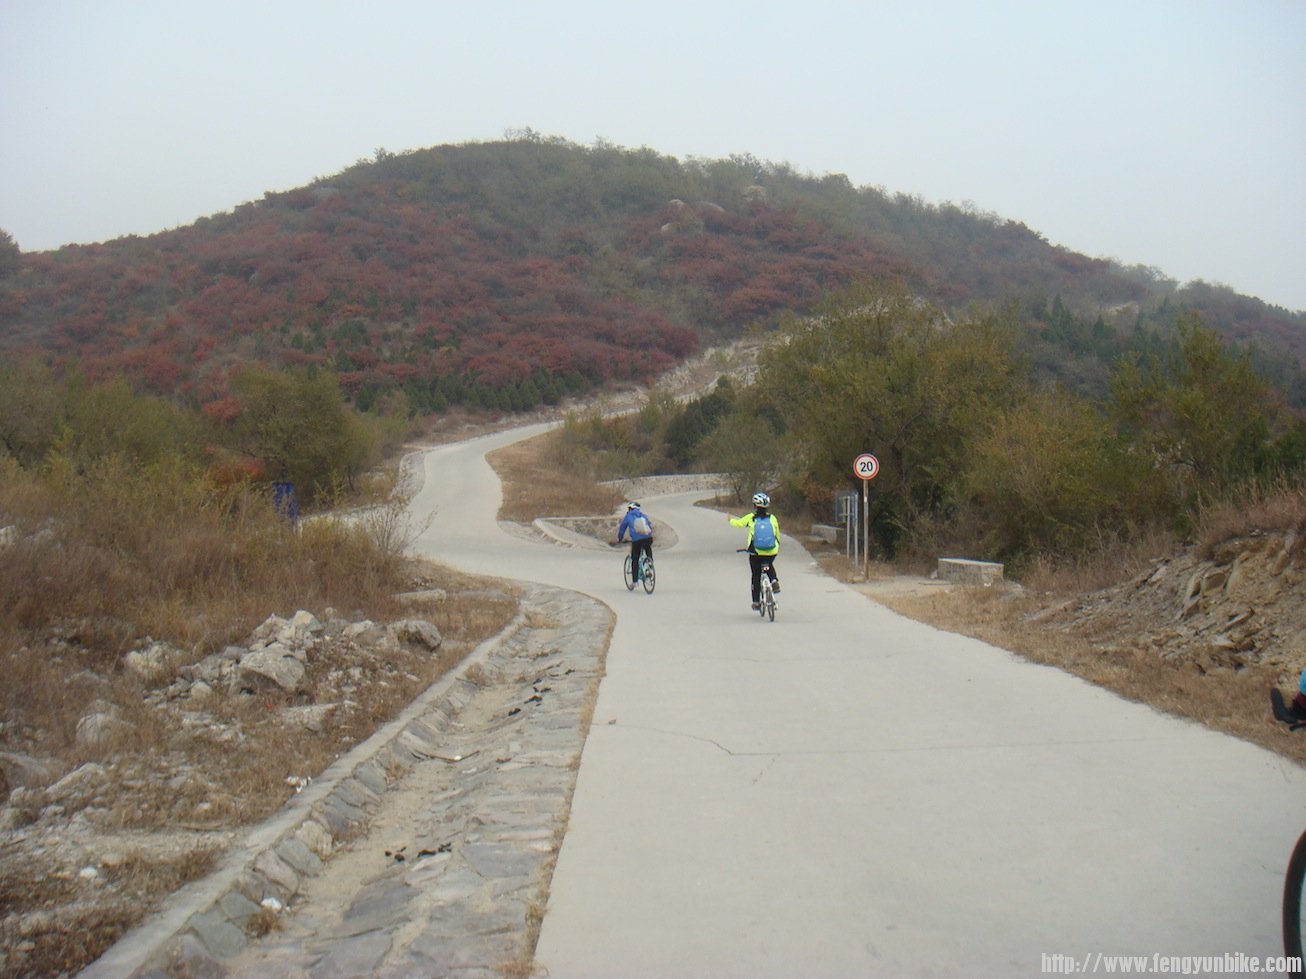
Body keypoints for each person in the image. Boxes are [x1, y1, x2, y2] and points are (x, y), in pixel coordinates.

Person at [730, 492, 780, 610]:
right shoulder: (773, 518)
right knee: (768, 565)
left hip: (755, 552)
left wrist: (730, 520)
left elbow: (738, 524)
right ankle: (773, 580)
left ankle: (756, 602)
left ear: (755, 505)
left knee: (756, 575)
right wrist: (776, 546)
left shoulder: (751, 518)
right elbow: (777, 534)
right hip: (772, 551)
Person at [616, 501, 654, 582]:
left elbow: (622, 528)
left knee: (635, 558)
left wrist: (620, 538)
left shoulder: (628, 516)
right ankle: (650, 562)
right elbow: (649, 526)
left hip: (637, 540)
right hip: (648, 538)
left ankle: (635, 581)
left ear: (630, 509)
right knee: (647, 548)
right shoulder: (643, 515)